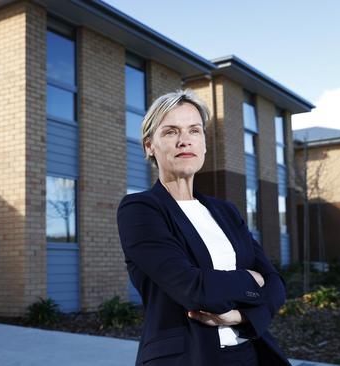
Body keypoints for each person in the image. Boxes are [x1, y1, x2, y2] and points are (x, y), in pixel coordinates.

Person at [117, 89, 290, 366]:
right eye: (171, 132)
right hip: (188, 358)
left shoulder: (226, 211)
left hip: (251, 355)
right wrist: (250, 278)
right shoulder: (141, 210)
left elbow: (276, 284)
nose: (185, 140)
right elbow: (193, 289)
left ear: (205, 144)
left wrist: (241, 317)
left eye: (194, 131)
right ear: (149, 145)